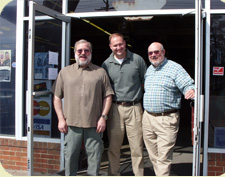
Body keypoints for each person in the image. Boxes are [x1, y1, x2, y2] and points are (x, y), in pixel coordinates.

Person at [52, 39, 114, 176]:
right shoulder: (65, 72)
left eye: (86, 50)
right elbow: (57, 97)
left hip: (94, 124)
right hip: (71, 124)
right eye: (79, 50)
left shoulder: (100, 72)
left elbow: (108, 96)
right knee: (70, 157)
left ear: (91, 52)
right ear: (75, 53)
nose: (83, 53)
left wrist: (103, 117)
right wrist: (60, 119)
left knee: (95, 157)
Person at [143, 42, 195, 176]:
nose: (153, 55)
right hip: (148, 118)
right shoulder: (149, 69)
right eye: (150, 53)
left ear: (163, 52)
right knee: (153, 155)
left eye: (156, 52)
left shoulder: (174, 68)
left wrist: (191, 90)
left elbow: (188, 84)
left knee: (163, 157)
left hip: (166, 119)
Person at [102, 33, 147, 176]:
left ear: (125, 43)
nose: (118, 47)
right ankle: (114, 174)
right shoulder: (106, 64)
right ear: (110, 47)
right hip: (115, 109)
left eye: (120, 44)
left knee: (137, 148)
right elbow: (105, 89)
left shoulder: (137, 60)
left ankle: (138, 174)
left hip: (135, 107)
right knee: (114, 147)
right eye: (115, 45)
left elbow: (144, 82)